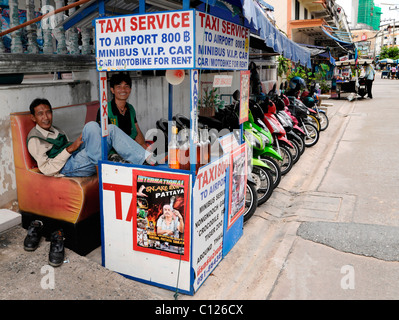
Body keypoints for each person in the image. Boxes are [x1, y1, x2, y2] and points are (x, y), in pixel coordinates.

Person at [25, 98, 157, 265]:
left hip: (75, 158)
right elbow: (46, 168)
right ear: (33, 118)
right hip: (66, 167)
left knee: (108, 129)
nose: (45, 117)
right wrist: (70, 149)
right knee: (91, 128)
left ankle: (146, 162)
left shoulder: (55, 130)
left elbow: (70, 146)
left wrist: (77, 145)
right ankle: (101, 167)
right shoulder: (35, 139)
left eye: (48, 112)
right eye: (40, 114)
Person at [96, 72, 151, 162]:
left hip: (132, 151)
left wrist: (145, 150)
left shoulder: (130, 109)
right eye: (119, 87)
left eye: (126, 86)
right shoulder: (104, 109)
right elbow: (102, 140)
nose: (123, 90)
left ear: (130, 89)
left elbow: (137, 133)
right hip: (112, 153)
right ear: (112, 90)